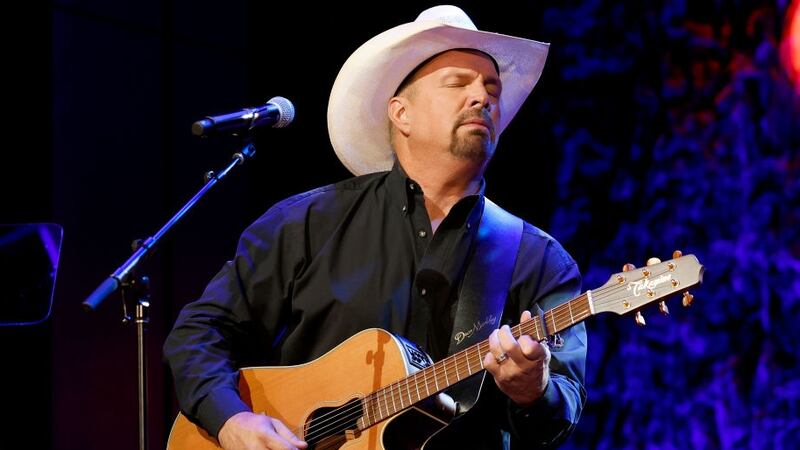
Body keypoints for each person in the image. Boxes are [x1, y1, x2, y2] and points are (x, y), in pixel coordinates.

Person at [164, 5, 587, 450]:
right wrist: (230, 419)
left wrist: (533, 389)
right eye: (458, 83)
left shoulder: (536, 259)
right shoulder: (308, 223)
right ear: (400, 113)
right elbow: (200, 331)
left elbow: (560, 416)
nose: (482, 96)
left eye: (491, 87)